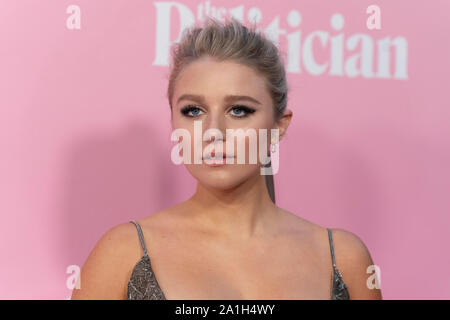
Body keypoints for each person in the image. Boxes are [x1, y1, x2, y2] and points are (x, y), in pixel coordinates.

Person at [71, 17, 382, 300]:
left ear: (278, 126)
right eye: (193, 111)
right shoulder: (124, 254)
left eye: (239, 110)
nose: (213, 132)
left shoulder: (344, 259)